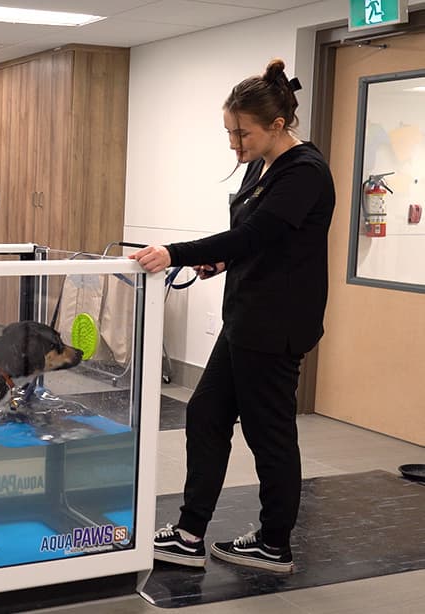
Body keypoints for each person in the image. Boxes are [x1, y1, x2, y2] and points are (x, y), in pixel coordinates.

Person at [131, 59, 335, 573]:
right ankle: (188, 533)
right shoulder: (259, 164)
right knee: (205, 416)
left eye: (241, 132)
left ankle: (274, 544)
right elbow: (256, 239)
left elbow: (255, 234)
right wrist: (219, 259)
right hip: (246, 317)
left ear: (278, 125)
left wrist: (173, 252)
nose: (233, 143)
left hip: (275, 325)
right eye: (229, 132)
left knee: (270, 436)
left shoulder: (305, 173)